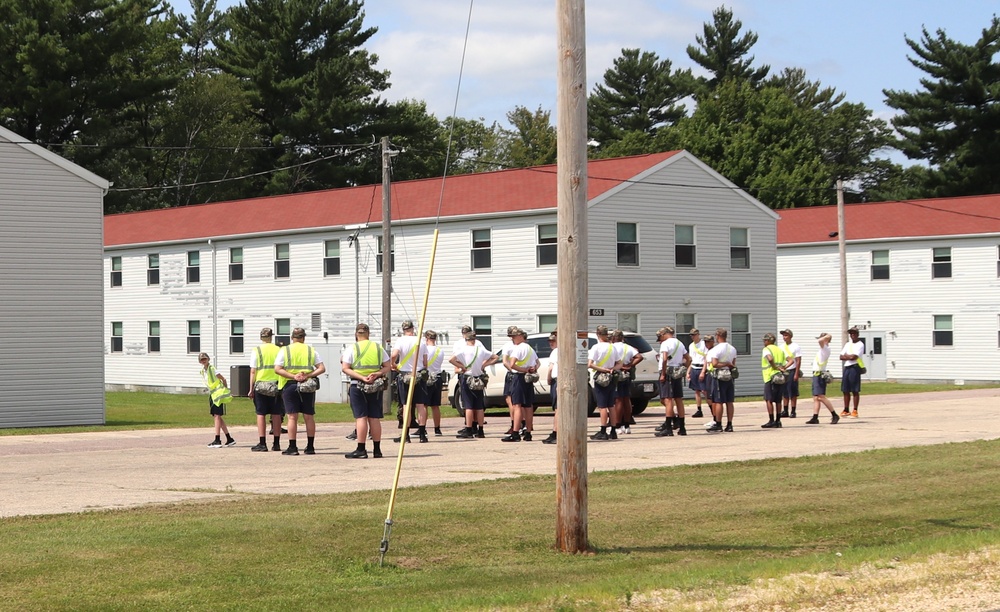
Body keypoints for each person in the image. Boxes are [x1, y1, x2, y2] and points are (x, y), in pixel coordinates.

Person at [341, 323, 391, 458]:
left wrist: (362, 377)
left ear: (356, 334)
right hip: (375, 385)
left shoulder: (352, 348)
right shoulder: (377, 347)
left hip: (358, 384)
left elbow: (345, 368)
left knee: (361, 417)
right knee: (374, 417)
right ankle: (377, 449)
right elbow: (388, 366)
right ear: (368, 334)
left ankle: (361, 449)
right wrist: (377, 374)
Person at [274, 327, 326, 456]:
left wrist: (293, 376)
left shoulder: (284, 350)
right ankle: (310, 446)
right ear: (303, 338)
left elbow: (278, 369)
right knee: (309, 416)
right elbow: (321, 368)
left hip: (290, 384)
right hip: (307, 385)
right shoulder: (310, 350)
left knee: (292, 417)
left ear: (292, 338)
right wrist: (308, 375)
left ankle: (292, 447)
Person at [450, 330, 499, 439]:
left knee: (468, 406)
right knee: (479, 406)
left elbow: (451, 359)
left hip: (467, 377)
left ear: (466, 339)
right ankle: (480, 430)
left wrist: (462, 367)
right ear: (475, 339)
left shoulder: (462, 350)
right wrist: (484, 365)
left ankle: (468, 429)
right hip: (479, 378)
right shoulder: (481, 350)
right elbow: (495, 357)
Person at [391, 320, 429, 443]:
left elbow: (393, 355)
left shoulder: (400, 341)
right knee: (420, 405)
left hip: (404, 374)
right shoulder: (421, 341)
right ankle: (422, 434)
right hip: (418, 374)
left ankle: (406, 435)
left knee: (406, 405)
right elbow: (425, 362)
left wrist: (393, 365)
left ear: (403, 329)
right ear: (413, 329)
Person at [248, 327, 283, 452]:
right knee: (276, 414)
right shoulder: (279, 349)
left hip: (261, 384)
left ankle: (262, 443)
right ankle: (277, 443)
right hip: (276, 385)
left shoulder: (256, 350)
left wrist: (250, 388)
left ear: (261, 337)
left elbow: (253, 371)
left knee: (261, 414)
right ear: (271, 337)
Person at [502, 328, 539, 442]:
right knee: (528, 406)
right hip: (528, 379)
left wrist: (523, 369)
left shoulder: (519, 348)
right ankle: (528, 432)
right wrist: (532, 369)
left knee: (517, 405)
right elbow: (538, 362)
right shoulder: (530, 349)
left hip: (519, 378)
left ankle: (515, 432)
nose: (512, 339)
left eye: (513, 336)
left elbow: (511, 364)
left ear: (521, 336)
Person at [588, 325, 623, 441]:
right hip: (612, 378)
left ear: (598, 334)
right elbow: (620, 363)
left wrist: (602, 369)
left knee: (602, 406)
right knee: (611, 405)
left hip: (601, 378)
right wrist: (612, 369)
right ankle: (613, 430)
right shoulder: (613, 348)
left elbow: (590, 364)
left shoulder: (596, 347)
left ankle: (603, 430)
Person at [655, 326, 691, 437]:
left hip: (668, 372)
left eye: (660, 337)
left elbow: (665, 359)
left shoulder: (666, 344)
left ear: (664, 334)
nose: (660, 340)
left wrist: (663, 374)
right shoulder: (680, 343)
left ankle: (669, 428)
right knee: (678, 399)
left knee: (668, 399)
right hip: (677, 371)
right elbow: (688, 358)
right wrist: (685, 369)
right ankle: (682, 427)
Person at [200, 353, 235, 448]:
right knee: (217, 416)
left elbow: (223, 378)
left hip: (218, 394)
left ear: (208, 359)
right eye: (202, 360)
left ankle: (217, 439)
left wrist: (225, 390)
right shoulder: (203, 371)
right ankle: (229, 438)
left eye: (205, 359)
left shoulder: (212, 368)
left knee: (217, 416)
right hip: (212, 394)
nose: (204, 361)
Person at [706, 328, 738, 432]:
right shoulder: (732, 348)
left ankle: (718, 424)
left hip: (719, 376)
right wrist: (728, 364)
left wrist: (724, 364)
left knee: (718, 401)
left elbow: (715, 364)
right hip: (729, 376)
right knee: (729, 401)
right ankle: (729, 424)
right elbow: (733, 363)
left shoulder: (716, 349)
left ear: (718, 336)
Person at [612, 329, 643, 435]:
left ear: (613, 338)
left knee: (618, 400)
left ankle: (617, 425)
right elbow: (639, 356)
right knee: (626, 399)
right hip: (627, 374)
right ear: (622, 338)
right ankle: (627, 425)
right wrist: (630, 365)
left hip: (617, 374)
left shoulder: (613, 347)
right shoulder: (628, 347)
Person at [806, 333, 840, 425]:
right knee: (816, 398)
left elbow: (820, 341)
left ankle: (834, 414)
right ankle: (815, 417)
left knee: (821, 397)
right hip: (816, 374)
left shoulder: (825, 349)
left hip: (819, 374)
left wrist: (826, 337)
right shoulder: (822, 349)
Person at [761, 333, 790, 429]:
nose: (764, 342)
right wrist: (783, 367)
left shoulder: (766, 349)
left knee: (769, 399)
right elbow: (791, 360)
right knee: (778, 400)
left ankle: (771, 420)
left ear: (768, 341)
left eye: (765, 340)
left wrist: (774, 366)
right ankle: (778, 421)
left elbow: (770, 358)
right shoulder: (780, 350)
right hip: (780, 377)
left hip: (770, 377)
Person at [422, 330, 446, 436]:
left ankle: (423, 428)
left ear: (427, 338)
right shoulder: (440, 351)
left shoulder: (425, 349)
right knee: (435, 406)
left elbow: (424, 363)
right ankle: (437, 429)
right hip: (438, 377)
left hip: (427, 378)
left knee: (424, 405)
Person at [840, 326, 865, 418]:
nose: (852, 335)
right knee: (845, 390)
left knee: (855, 390)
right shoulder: (848, 344)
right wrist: (848, 356)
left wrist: (848, 356)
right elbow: (841, 356)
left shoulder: (860, 344)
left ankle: (855, 410)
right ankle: (846, 409)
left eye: (854, 333)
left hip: (855, 368)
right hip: (847, 367)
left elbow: (854, 357)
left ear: (857, 334)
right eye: (851, 334)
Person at [778, 329, 803, 418]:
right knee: (784, 392)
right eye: (783, 336)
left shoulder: (795, 346)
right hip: (784, 371)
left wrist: (796, 373)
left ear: (790, 336)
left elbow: (798, 360)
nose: (785, 337)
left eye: (786, 335)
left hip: (792, 370)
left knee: (792, 392)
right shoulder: (781, 347)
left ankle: (793, 410)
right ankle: (785, 410)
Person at [686, 328, 708, 418]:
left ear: (698, 335)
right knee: (697, 390)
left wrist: (703, 371)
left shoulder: (703, 344)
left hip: (702, 367)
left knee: (704, 390)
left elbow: (707, 358)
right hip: (694, 367)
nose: (692, 337)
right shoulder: (691, 345)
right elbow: (691, 359)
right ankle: (699, 409)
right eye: (691, 335)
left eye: (694, 335)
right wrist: (688, 371)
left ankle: (712, 405)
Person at [542, 331, 559, 444]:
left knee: (558, 408)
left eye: (553, 340)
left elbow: (551, 368)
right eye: (550, 341)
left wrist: (548, 379)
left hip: (557, 380)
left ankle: (555, 433)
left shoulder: (556, 351)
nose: (551, 343)